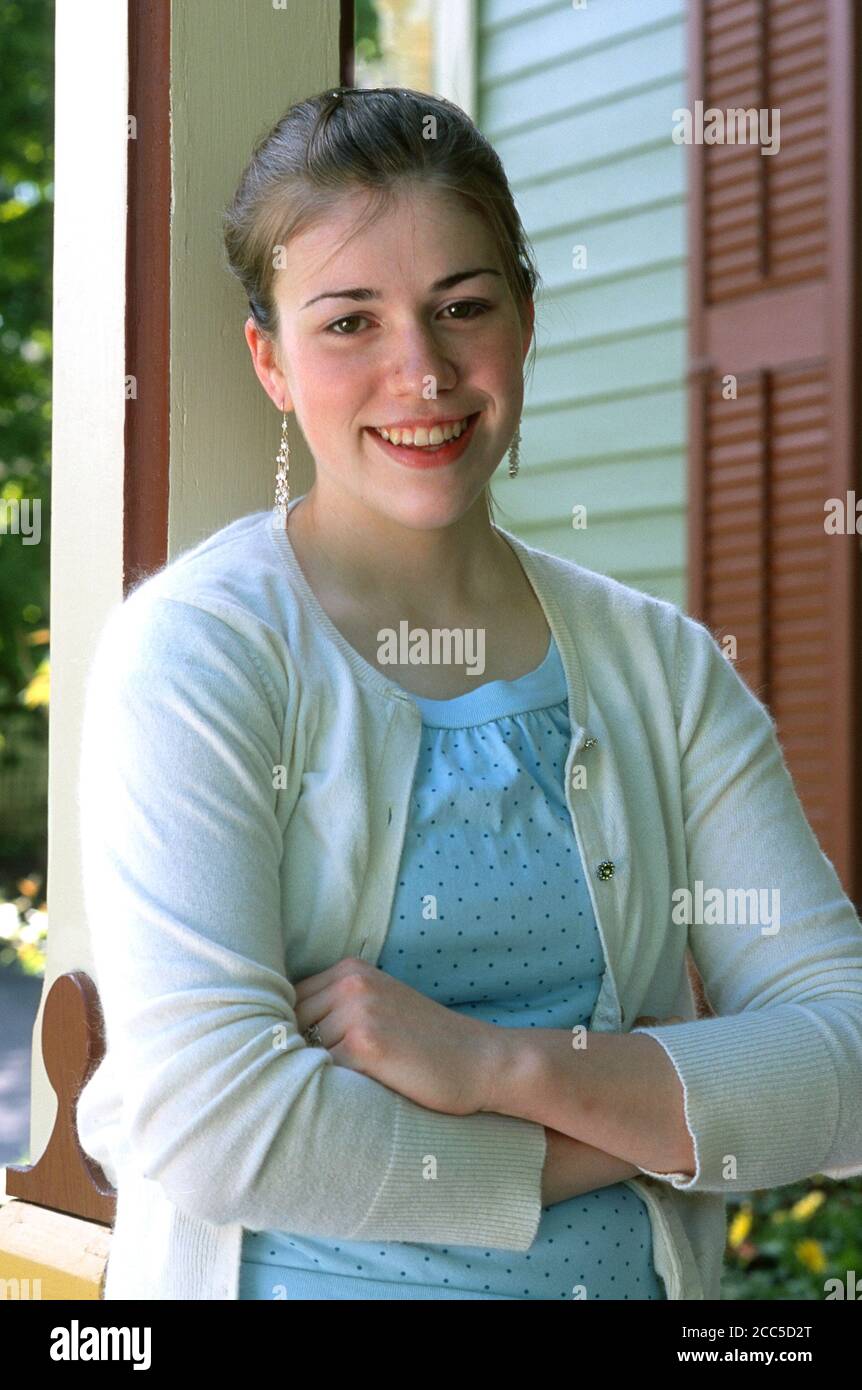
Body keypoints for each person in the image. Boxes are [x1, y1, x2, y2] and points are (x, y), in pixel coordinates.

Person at [76, 87, 862, 1301]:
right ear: (270, 363)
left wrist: (499, 1064)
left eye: (462, 307)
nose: (422, 371)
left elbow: (845, 1062)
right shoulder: (199, 656)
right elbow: (215, 1128)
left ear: (525, 320)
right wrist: (632, 1129)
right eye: (349, 323)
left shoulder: (660, 668)